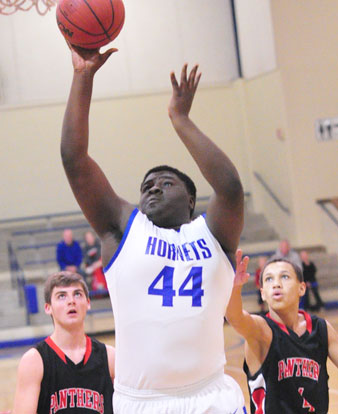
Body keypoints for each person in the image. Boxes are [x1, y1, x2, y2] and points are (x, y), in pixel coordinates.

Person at [60, 43, 246, 414]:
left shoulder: (212, 236)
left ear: (191, 201)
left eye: (166, 182)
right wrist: (83, 77)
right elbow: (74, 160)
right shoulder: (123, 229)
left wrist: (181, 119)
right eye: (147, 184)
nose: (153, 186)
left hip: (212, 398)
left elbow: (229, 187)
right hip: (143, 403)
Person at [226, 250, 338, 414]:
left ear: (302, 288)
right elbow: (235, 318)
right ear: (263, 293)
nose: (276, 284)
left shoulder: (321, 329)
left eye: (284, 277)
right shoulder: (261, 330)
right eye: (269, 279)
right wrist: (235, 287)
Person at [12, 271, 115, 414]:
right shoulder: (34, 361)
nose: (71, 301)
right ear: (48, 308)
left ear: (88, 303)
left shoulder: (110, 358)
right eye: (61, 296)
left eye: (77, 294)